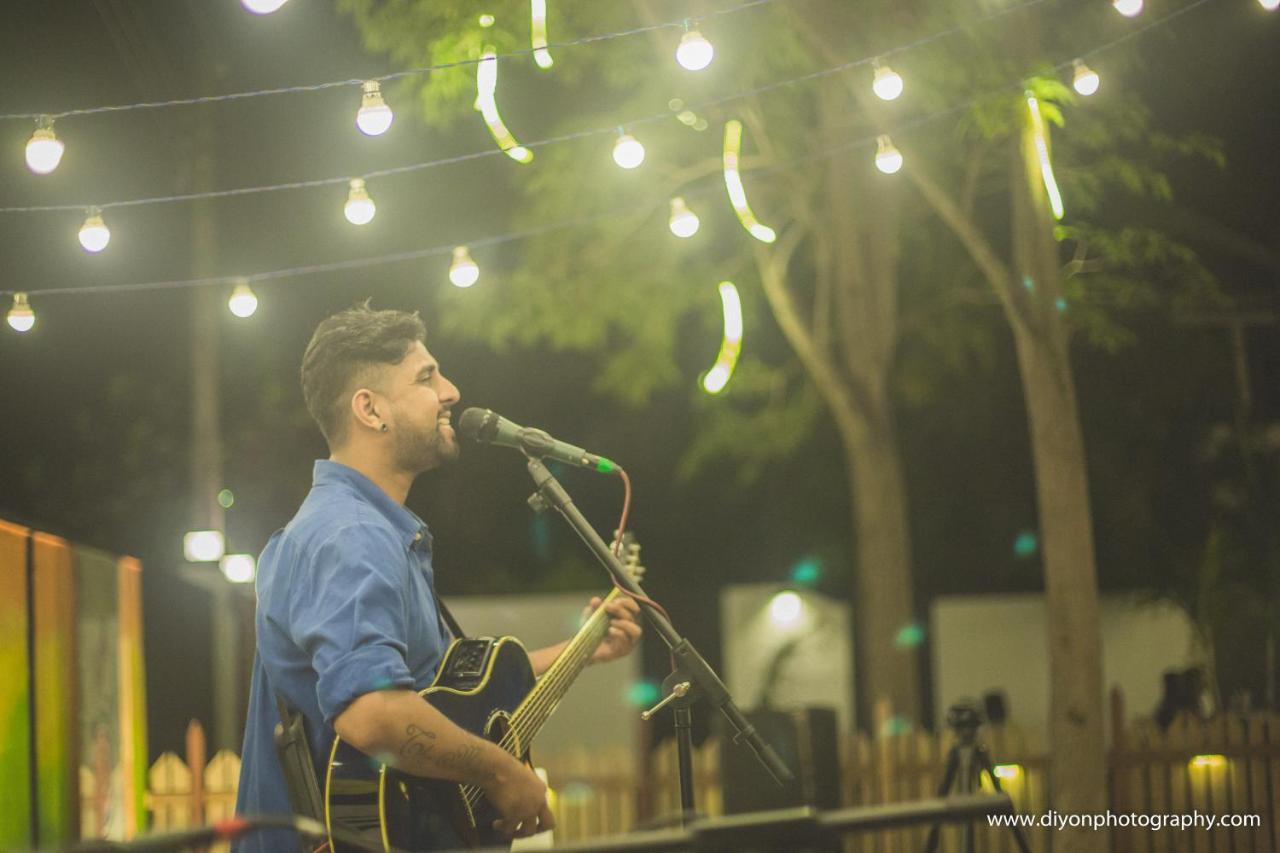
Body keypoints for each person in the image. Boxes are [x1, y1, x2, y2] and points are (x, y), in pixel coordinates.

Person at [234, 304, 642, 852]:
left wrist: (583, 647)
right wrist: (500, 771)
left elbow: (443, 693)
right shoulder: (353, 536)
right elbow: (374, 714)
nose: (451, 391)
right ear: (370, 409)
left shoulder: (364, 530)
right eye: (426, 377)